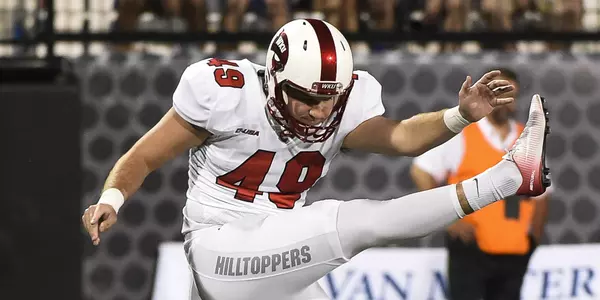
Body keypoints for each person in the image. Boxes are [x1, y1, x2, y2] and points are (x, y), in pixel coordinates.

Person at [81, 19, 550, 300]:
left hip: (280, 250)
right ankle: (508, 177)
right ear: (275, 81)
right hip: (217, 249)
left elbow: (403, 138)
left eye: (331, 98)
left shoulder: (340, 105)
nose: (321, 111)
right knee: (355, 221)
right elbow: (142, 156)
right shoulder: (226, 94)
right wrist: (112, 198)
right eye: (307, 98)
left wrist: (459, 114)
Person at [410, 68, 550, 300]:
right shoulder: (463, 134)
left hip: (514, 250)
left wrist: (533, 235)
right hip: (470, 249)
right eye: (498, 91)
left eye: (509, 94)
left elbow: (543, 192)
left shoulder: (526, 138)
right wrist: (446, 219)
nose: (504, 101)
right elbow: (421, 171)